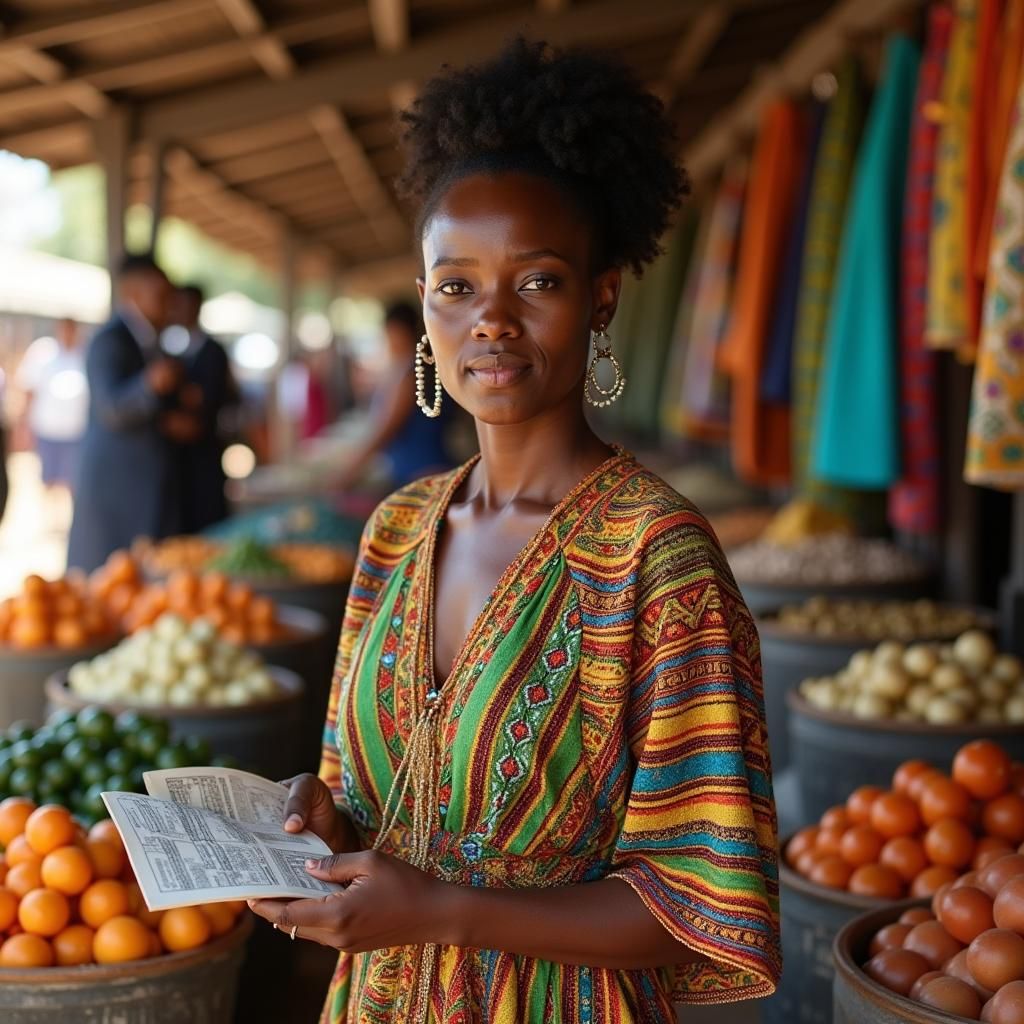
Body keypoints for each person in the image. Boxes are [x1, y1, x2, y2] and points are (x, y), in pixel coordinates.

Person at [249, 39, 781, 1023]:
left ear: (600, 295)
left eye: (535, 281)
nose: (489, 318)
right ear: (424, 309)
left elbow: (701, 905)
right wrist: (319, 819)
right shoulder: (397, 530)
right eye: (456, 286)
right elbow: (364, 794)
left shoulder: (652, 557)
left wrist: (441, 910)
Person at [67, 254, 192, 572]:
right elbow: (111, 408)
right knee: (110, 576)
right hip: (117, 487)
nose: (168, 306)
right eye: (160, 296)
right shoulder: (109, 340)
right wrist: (150, 386)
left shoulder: (152, 342)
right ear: (133, 292)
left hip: (146, 485)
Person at [332, 301, 453, 490]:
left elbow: (386, 430)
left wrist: (349, 472)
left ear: (400, 331)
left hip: (422, 472)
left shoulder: (413, 374)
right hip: (421, 469)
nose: (388, 340)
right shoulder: (415, 368)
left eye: (390, 333)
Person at [169, 283, 235, 532]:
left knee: (208, 516)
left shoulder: (212, 351)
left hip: (205, 451)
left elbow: (211, 398)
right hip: (182, 459)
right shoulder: (173, 349)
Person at [14, 318, 88, 493]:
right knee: (48, 479)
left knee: (72, 481)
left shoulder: (84, 355)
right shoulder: (44, 354)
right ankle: (51, 517)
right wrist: (24, 423)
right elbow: (29, 391)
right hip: (47, 429)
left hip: (75, 431)